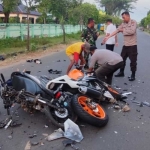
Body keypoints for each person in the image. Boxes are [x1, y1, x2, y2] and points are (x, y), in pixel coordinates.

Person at [103, 11, 138, 81]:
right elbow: (117, 30)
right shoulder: (123, 23)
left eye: (124, 17)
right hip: (125, 45)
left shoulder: (133, 22)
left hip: (132, 45)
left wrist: (122, 30)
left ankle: (133, 75)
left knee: (133, 61)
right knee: (121, 59)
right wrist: (108, 37)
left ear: (128, 16)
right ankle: (121, 72)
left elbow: (132, 31)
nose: (123, 19)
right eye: (122, 18)